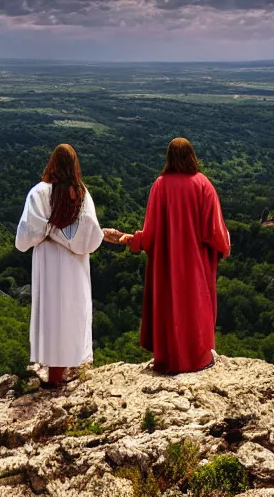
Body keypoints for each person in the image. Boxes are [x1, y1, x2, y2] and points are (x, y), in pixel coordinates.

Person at [106, 138, 231, 374]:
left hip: (167, 266)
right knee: (194, 307)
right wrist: (225, 244)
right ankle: (197, 359)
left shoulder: (160, 185)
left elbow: (151, 233)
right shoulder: (203, 185)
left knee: (169, 306)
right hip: (195, 266)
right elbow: (215, 232)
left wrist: (129, 239)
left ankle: (169, 361)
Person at [15, 144, 105, 388]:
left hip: (49, 261)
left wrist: (50, 231)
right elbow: (91, 234)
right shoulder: (82, 194)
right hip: (74, 264)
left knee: (52, 313)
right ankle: (68, 367)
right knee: (72, 311)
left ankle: (53, 374)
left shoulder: (39, 192)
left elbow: (27, 233)